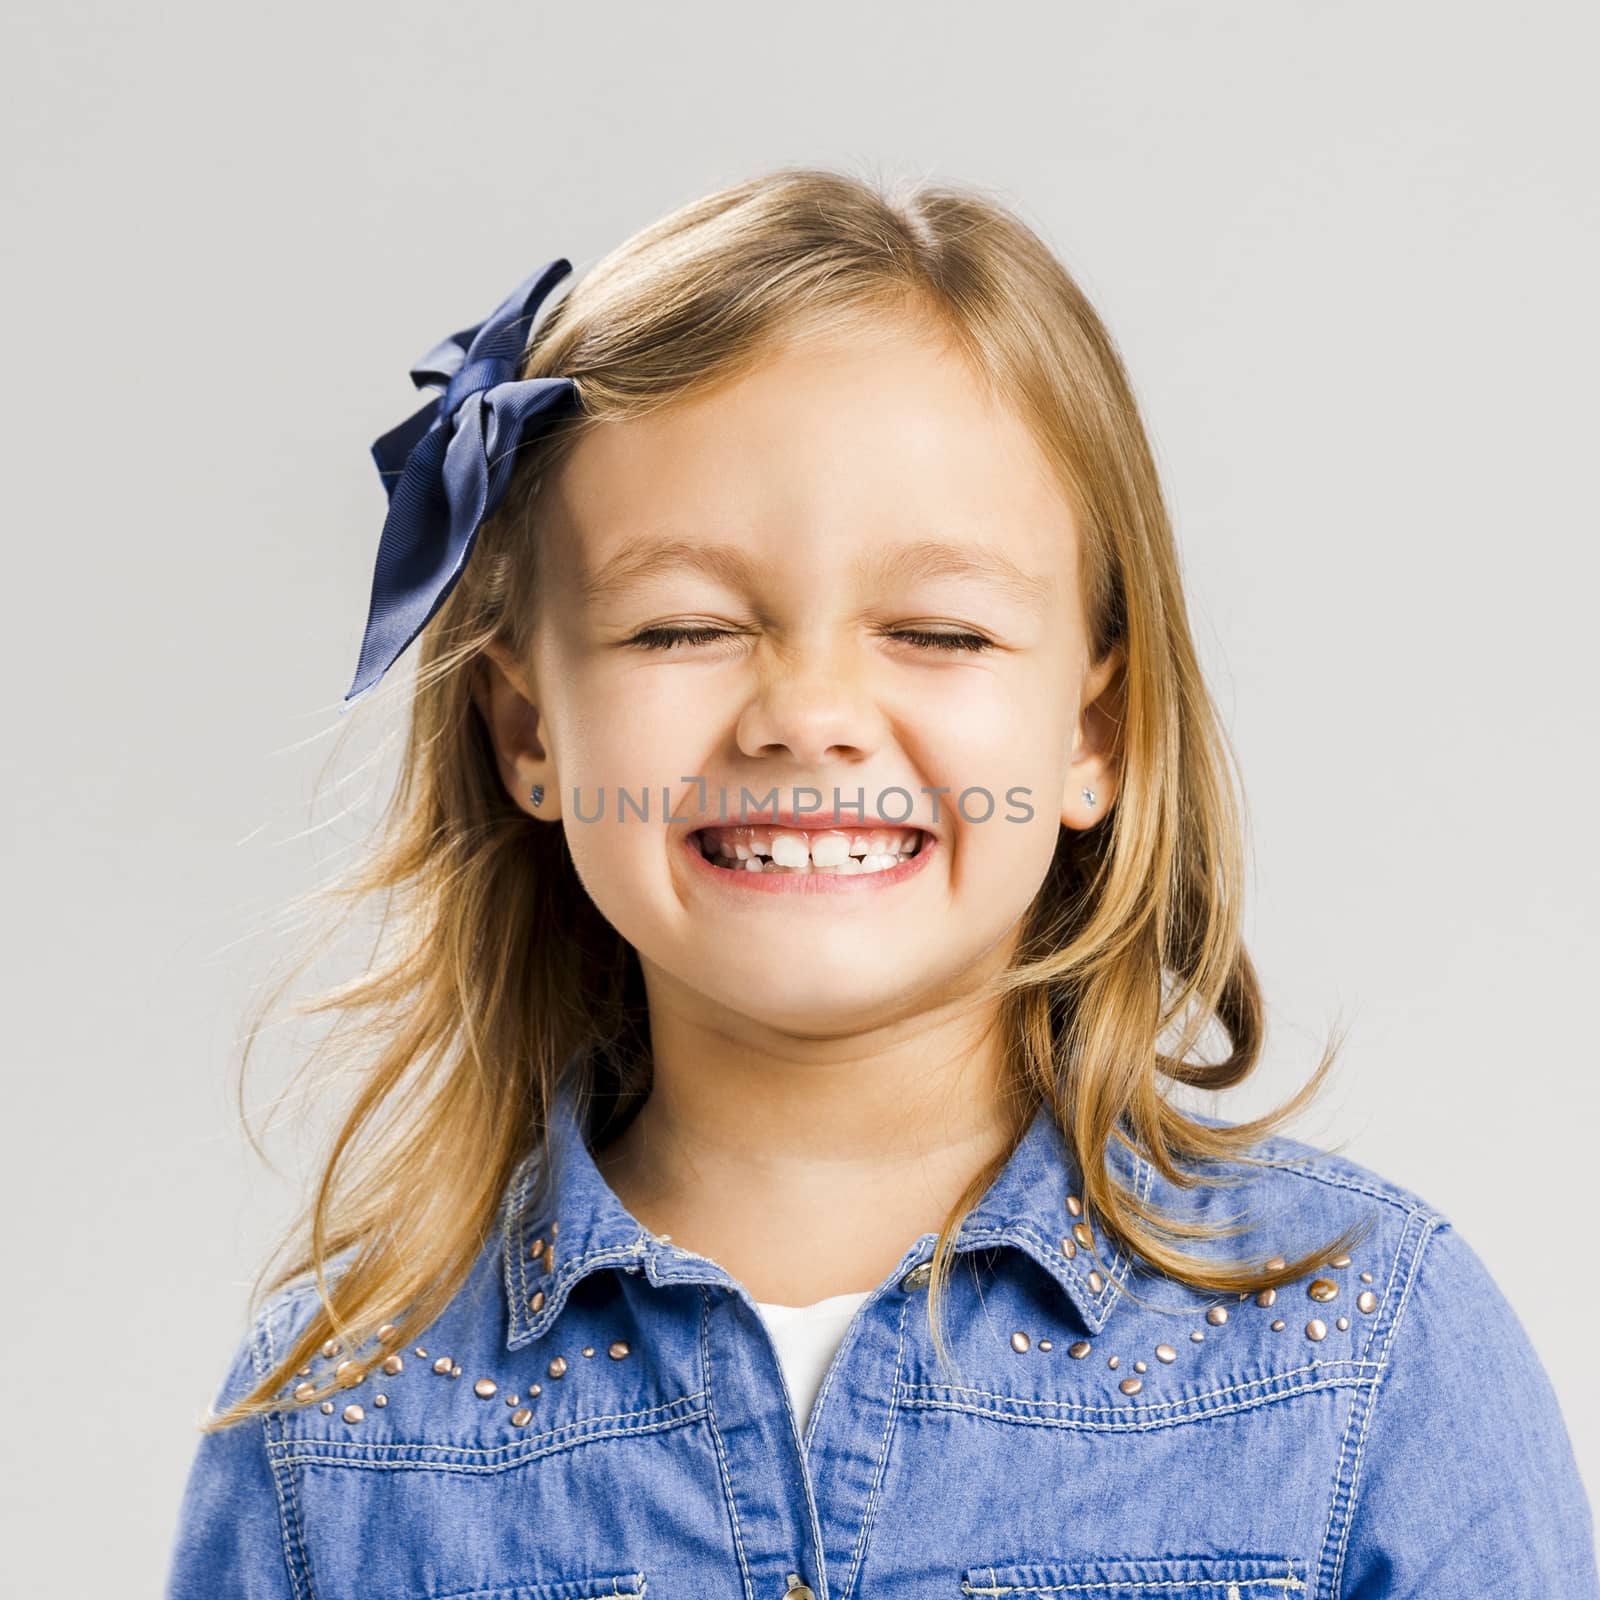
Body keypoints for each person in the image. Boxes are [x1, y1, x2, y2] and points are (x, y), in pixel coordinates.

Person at [164, 166, 1598, 1598]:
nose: (809, 711)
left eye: (937, 630)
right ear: (529, 732)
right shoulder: (332, 1437)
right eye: (682, 627)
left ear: (1095, 732)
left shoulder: (1365, 1350)